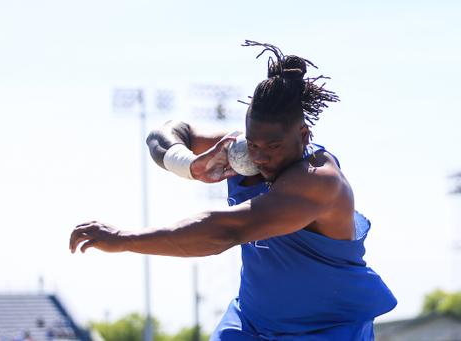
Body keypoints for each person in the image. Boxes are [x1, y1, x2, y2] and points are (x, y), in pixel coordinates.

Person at [69, 40, 397, 340]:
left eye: (274, 146)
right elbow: (165, 132)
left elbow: (223, 231)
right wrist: (190, 164)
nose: (261, 157)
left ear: (304, 135)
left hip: (325, 330)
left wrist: (124, 239)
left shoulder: (317, 181)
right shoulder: (241, 151)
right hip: (251, 324)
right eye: (253, 143)